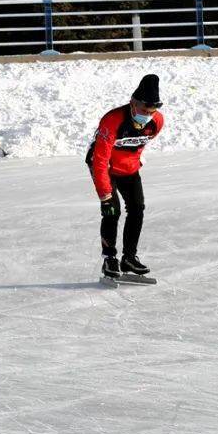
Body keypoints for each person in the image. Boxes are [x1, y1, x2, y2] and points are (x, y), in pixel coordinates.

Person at [86, 74, 165, 280]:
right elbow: (100, 159)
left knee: (137, 208)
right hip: (104, 165)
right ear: (133, 103)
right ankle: (109, 258)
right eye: (143, 110)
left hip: (128, 168)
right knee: (112, 211)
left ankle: (129, 258)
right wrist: (104, 194)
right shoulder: (112, 120)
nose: (147, 115)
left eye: (151, 111)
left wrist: (136, 162)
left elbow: (140, 144)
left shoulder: (157, 121)